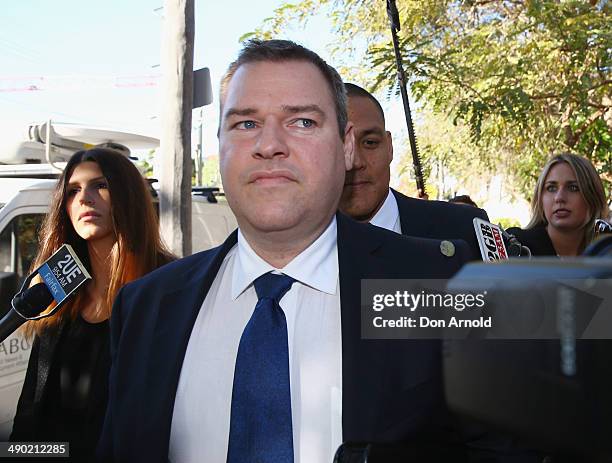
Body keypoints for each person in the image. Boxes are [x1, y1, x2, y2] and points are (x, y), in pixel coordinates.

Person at [96, 40, 501, 463]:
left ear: (346, 147)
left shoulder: (435, 284)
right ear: (220, 144)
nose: (269, 144)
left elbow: (501, 447)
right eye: (246, 124)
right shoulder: (148, 307)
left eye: (302, 122)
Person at [10, 148, 174, 462]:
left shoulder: (168, 290)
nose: (85, 199)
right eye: (73, 191)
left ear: (127, 196)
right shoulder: (56, 290)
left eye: (100, 185)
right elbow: (29, 416)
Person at [340, 83, 489, 261]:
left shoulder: (466, 229)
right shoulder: (300, 245)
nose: (356, 162)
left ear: (389, 147)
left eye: (370, 143)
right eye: (340, 146)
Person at [507, 153, 609, 256]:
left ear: (592, 197)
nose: (559, 198)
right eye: (551, 188)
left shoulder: (605, 254)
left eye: (573, 188)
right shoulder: (514, 245)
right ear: (540, 198)